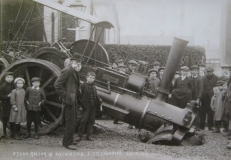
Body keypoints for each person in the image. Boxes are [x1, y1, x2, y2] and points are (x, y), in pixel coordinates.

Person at [54, 53, 82, 150]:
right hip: (69, 100)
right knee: (70, 121)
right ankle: (67, 143)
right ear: (72, 62)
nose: (79, 64)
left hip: (73, 100)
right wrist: (66, 96)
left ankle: (69, 140)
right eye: (77, 62)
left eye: (80, 62)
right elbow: (57, 85)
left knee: (73, 121)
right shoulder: (67, 70)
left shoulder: (74, 71)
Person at [77, 72, 102, 141]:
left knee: (91, 121)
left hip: (93, 106)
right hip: (86, 106)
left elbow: (96, 97)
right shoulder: (83, 86)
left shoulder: (94, 87)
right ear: (87, 77)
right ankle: (79, 136)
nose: (92, 79)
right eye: (90, 77)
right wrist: (81, 105)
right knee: (83, 121)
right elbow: (79, 96)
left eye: (93, 78)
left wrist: (100, 104)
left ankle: (89, 136)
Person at [0, 72, 14, 138]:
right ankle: (4, 133)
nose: (9, 79)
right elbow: (0, 96)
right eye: (8, 77)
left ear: (13, 78)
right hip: (5, 104)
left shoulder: (14, 86)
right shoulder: (2, 87)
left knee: (12, 118)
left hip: (12, 104)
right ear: (5, 78)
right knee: (5, 119)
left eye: (11, 77)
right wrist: (7, 96)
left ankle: (12, 132)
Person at [190, 65, 203, 130]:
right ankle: (190, 124)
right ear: (191, 71)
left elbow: (201, 89)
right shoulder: (189, 78)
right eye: (193, 70)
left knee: (196, 111)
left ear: (197, 71)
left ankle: (197, 125)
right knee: (190, 110)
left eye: (195, 70)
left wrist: (198, 98)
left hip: (196, 97)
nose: (194, 72)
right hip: (190, 97)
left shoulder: (199, 79)